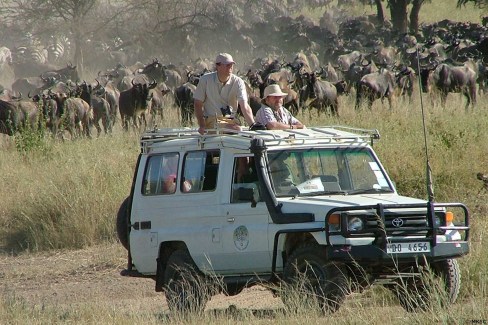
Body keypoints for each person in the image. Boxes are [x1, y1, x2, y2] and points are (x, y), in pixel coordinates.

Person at [194, 53, 255, 134]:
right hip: (212, 120)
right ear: (218, 66)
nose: (230, 67)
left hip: (231, 120)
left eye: (231, 65)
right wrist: (202, 125)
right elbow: (197, 103)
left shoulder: (238, 82)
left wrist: (253, 125)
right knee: (236, 130)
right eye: (227, 65)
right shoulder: (205, 80)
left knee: (237, 129)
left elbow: (244, 105)